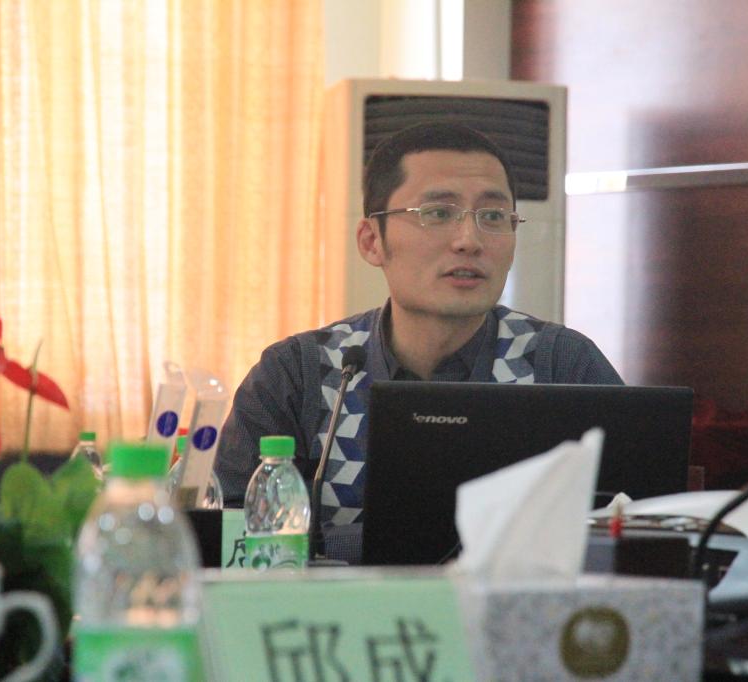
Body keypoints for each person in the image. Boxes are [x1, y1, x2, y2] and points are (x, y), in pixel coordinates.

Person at [215, 122, 623, 524]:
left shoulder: (562, 365)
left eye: (494, 215)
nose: (469, 240)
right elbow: (231, 534)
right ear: (372, 241)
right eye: (438, 213)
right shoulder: (296, 375)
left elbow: (634, 521)